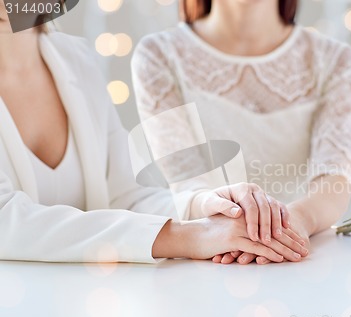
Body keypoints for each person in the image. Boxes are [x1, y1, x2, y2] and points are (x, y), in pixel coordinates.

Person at [0, 0, 308, 263]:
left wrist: (206, 207)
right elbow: (6, 221)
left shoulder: (76, 60)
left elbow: (126, 197)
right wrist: (191, 237)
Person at [132, 0, 351, 264]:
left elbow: (334, 181)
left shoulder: (336, 62)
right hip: (205, 263)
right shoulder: (159, 54)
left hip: (305, 258)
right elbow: (186, 182)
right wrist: (226, 225)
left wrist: (288, 225)